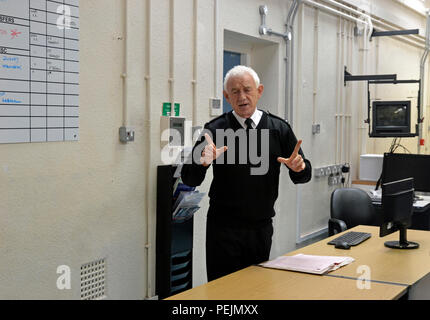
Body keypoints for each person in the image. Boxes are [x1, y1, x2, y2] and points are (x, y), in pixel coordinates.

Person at [181, 65, 312, 281]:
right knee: (222, 292)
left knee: (255, 290)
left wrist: (300, 167)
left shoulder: (279, 129)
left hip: (260, 229)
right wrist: (202, 162)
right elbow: (189, 177)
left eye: (247, 90)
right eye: (235, 92)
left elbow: (303, 174)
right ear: (226, 96)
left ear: (259, 91)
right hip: (222, 230)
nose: (242, 97)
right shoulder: (215, 129)